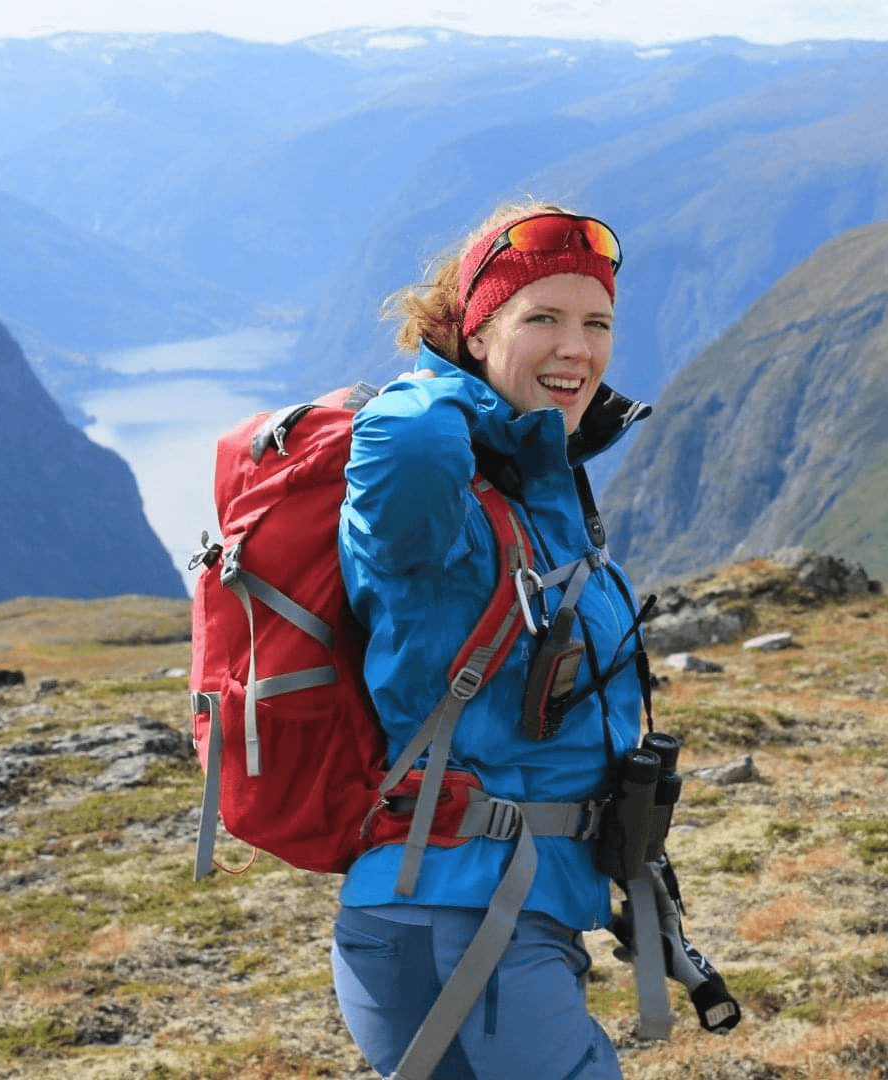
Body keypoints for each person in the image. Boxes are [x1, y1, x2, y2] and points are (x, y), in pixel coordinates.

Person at [332, 202, 654, 1080]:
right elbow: (400, 446)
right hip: (459, 919)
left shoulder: (535, 488)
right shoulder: (436, 489)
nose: (577, 348)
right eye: (540, 319)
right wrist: (439, 381)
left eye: (597, 323)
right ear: (476, 333)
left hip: (503, 916)